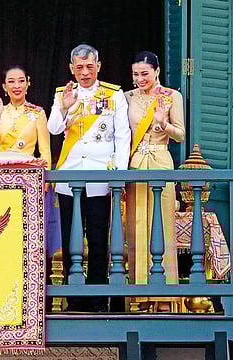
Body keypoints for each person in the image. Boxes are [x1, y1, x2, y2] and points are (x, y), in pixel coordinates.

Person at [47, 44, 131, 312]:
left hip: (100, 178)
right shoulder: (64, 94)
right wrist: (64, 107)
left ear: (98, 66)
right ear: (72, 68)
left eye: (89, 67)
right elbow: (53, 128)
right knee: (71, 241)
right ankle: (75, 300)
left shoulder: (113, 94)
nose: (85, 72)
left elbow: (122, 135)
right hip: (69, 176)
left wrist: (119, 173)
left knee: (97, 239)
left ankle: (97, 299)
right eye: (79, 67)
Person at [125, 51, 184, 293]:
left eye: (145, 74)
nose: (140, 79)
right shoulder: (127, 97)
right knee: (136, 225)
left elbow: (180, 135)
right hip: (136, 162)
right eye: (136, 74)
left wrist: (163, 123)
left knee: (162, 224)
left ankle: (164, 294)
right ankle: (136, 293)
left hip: (160, 160)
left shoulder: (172, 97)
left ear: (157, 71)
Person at [0, 65, 51, 169]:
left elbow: (45, 150)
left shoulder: (37, 113)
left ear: (27, 84)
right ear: (4, 86)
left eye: (21, 81)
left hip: (28, 174)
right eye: (11, 82)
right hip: (2, 173)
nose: (17, 86)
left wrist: (46, 181)